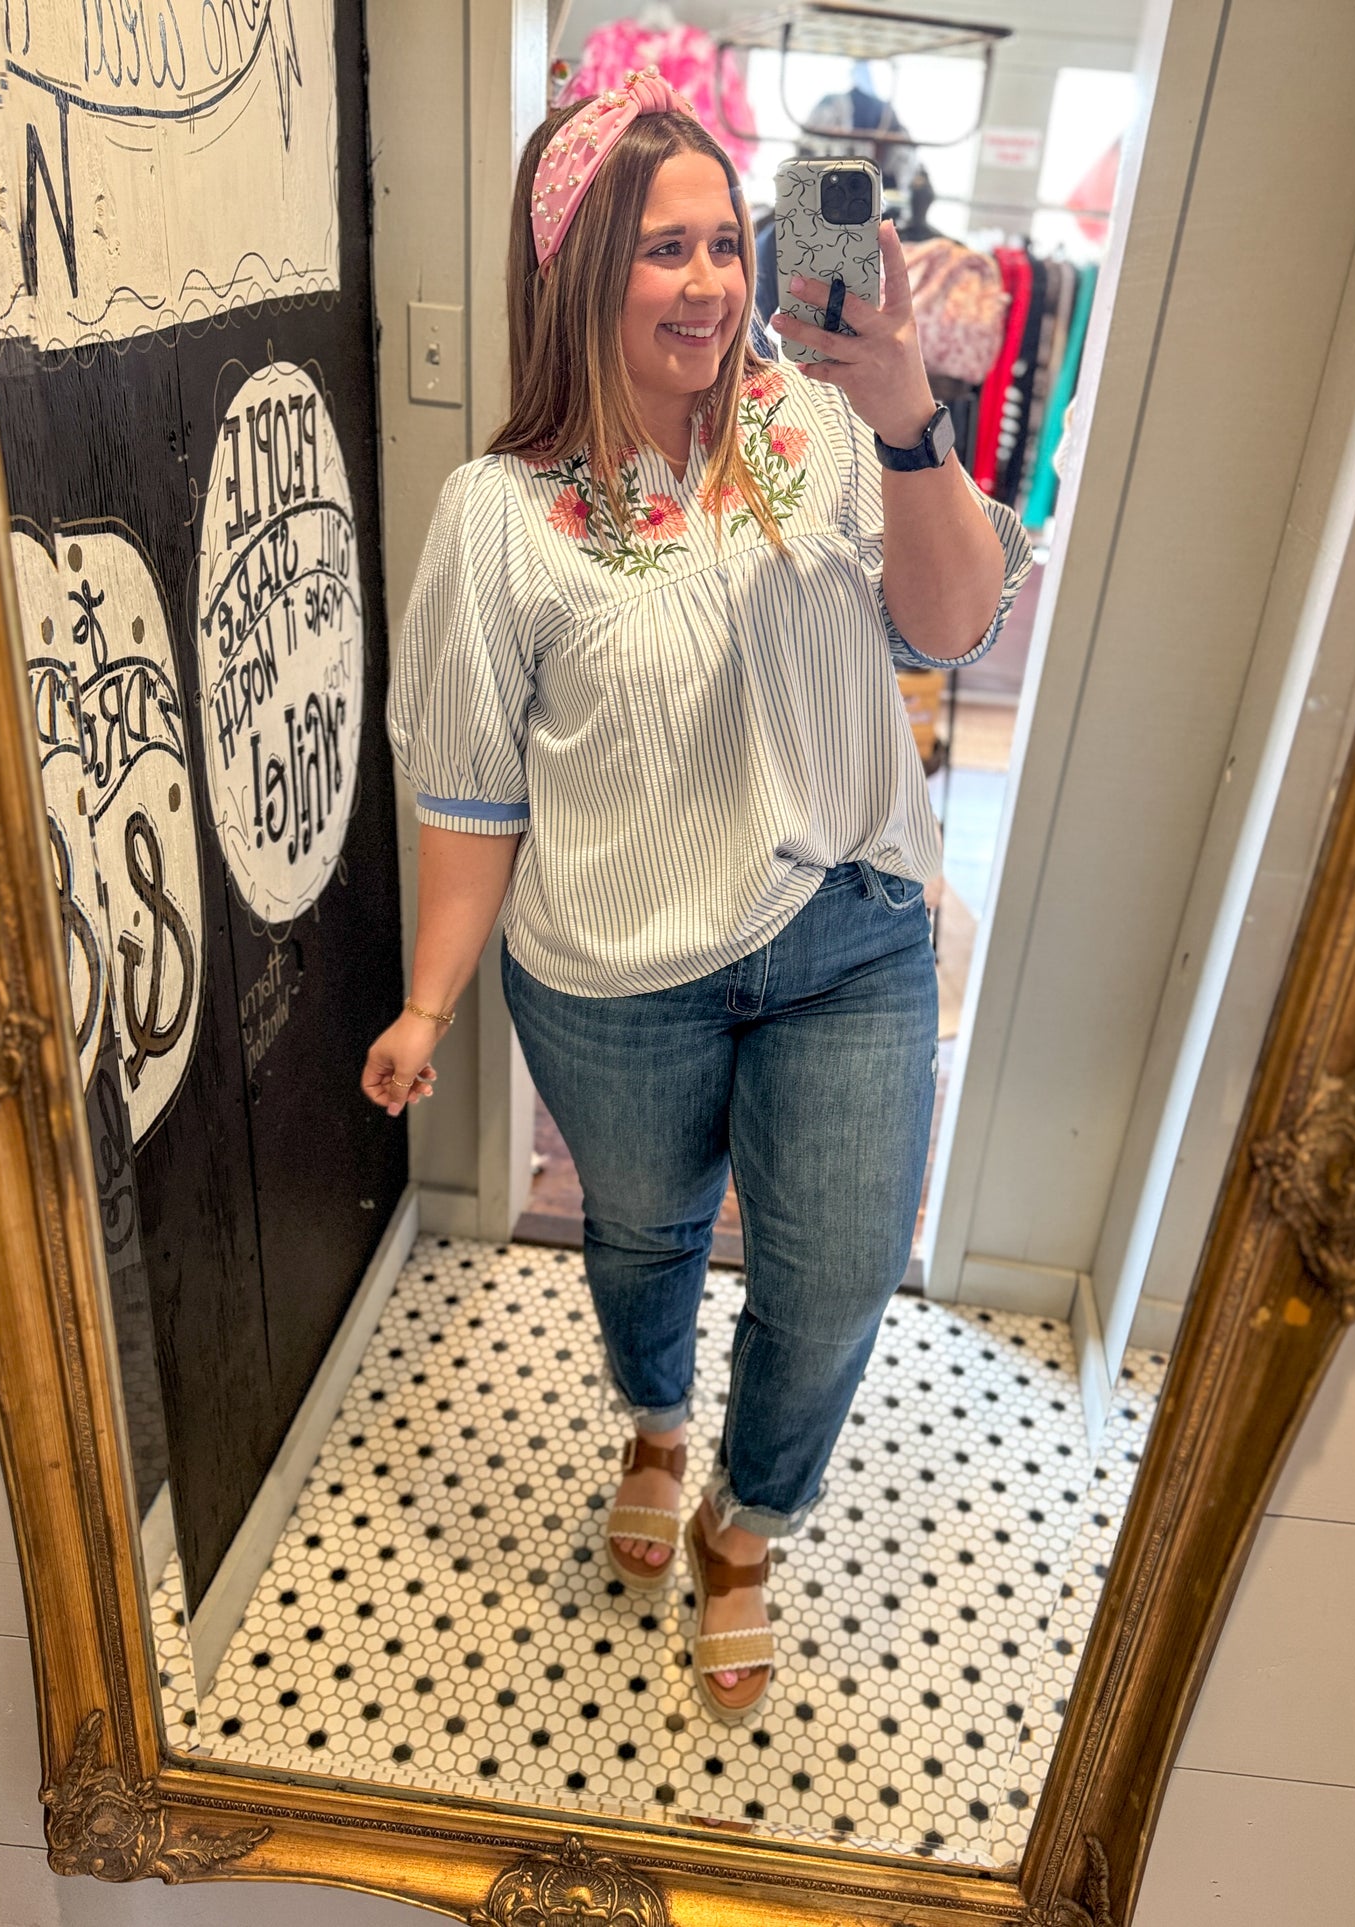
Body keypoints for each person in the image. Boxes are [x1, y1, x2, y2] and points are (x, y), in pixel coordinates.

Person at [361, 68, 1032, 1723]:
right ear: (581, 271)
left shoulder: (823, 429)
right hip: (611, 976)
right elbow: (470, 790)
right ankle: (656, 1430)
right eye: (666, 249)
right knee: (643, 1243)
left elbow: (951, 626)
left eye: (727, 242)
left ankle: (747, 1523)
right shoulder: (498, 517)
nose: (712, 282)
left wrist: (908, 419)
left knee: (836, 1277)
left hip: (846, 940)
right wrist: (429, 1001)